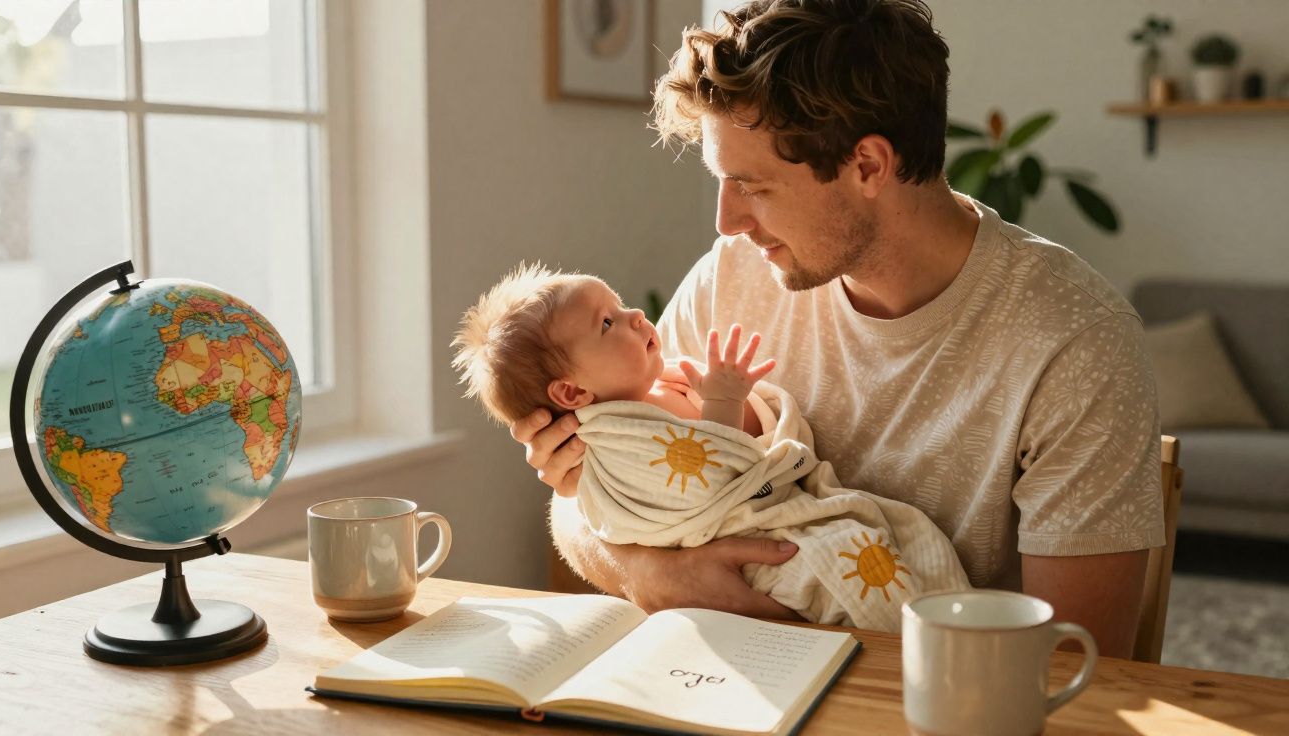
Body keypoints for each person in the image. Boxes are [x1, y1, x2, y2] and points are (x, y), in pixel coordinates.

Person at [512, 0, 1164, 658]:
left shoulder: (1074, 341)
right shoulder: (733, 278)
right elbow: (581, 505)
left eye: (752, 186)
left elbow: (1084, 666)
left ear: (869, 167)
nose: (727, 222)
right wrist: (647, 572)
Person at [453, 264, 969, 630]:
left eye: (620, 303)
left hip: (773, 515)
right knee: (852, 569)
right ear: (572, 393)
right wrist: (721, 401)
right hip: (753, 557)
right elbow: (709, 484)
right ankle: (923, 639)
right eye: (607, 323)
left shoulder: (660, 385)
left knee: (897, 535)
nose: (635, 315)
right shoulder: (615, 436)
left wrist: (742, 408)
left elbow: (741, 443)